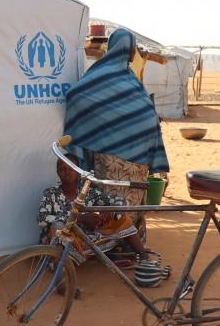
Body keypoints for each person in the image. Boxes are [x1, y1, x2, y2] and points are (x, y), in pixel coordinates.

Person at [63, 28, 169, 249]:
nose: (133, 55)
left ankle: (115, 248)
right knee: (119, 204)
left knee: (112, 202)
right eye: (132, 50)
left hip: (111, 156)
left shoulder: (100, 74)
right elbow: (146, 113)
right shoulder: (127, 78)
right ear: (127, 50)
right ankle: (125, 249)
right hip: (133, 157)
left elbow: (76, 95)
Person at [38, 156, 147, 264]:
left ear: (78, 172)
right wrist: (79, 219)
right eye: (62, 169)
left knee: (121, 218)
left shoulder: (88, 192)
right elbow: (42, 219)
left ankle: (143, 257)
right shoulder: (51, 193)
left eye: (71, 168)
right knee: (57, 227)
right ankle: (61, 269)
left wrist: (108, 209)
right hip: (63, 244)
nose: (67, 172)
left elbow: (121, 202)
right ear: (57, 172)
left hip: (86, 240)